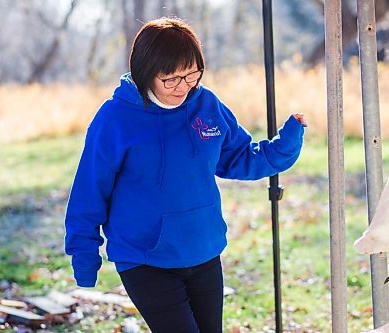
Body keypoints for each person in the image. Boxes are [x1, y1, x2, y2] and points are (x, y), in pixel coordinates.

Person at [65, 17, 308, 333]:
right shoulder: (115, 119)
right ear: (146, 71)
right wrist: (85, 258)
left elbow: (241, 157)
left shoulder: (205, 104)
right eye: (171, 78)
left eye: (192, 75)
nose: (183, 86)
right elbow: (89, 191)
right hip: (145, 258)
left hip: (203, 251)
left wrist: (286, 143)